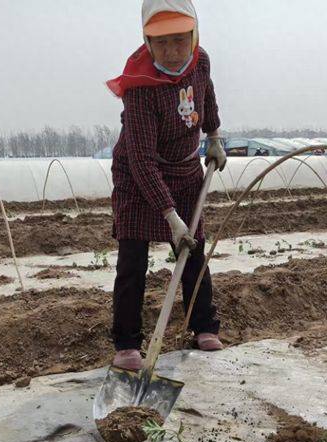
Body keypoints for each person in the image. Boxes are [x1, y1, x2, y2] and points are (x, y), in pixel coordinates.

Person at [105, 0, 227, 371]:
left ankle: (203, 325)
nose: (172, 51)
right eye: (161, 42)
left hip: (185, 169)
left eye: (179, 40)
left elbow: (207, 95)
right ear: (147, 42)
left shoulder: (200, 61)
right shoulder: (140, 88)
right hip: (138, 174)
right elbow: (142, 160)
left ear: (194, 36)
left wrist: (214, 135)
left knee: (193, 251)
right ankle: (127, 343)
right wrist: (170, 217)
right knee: (133, 259)